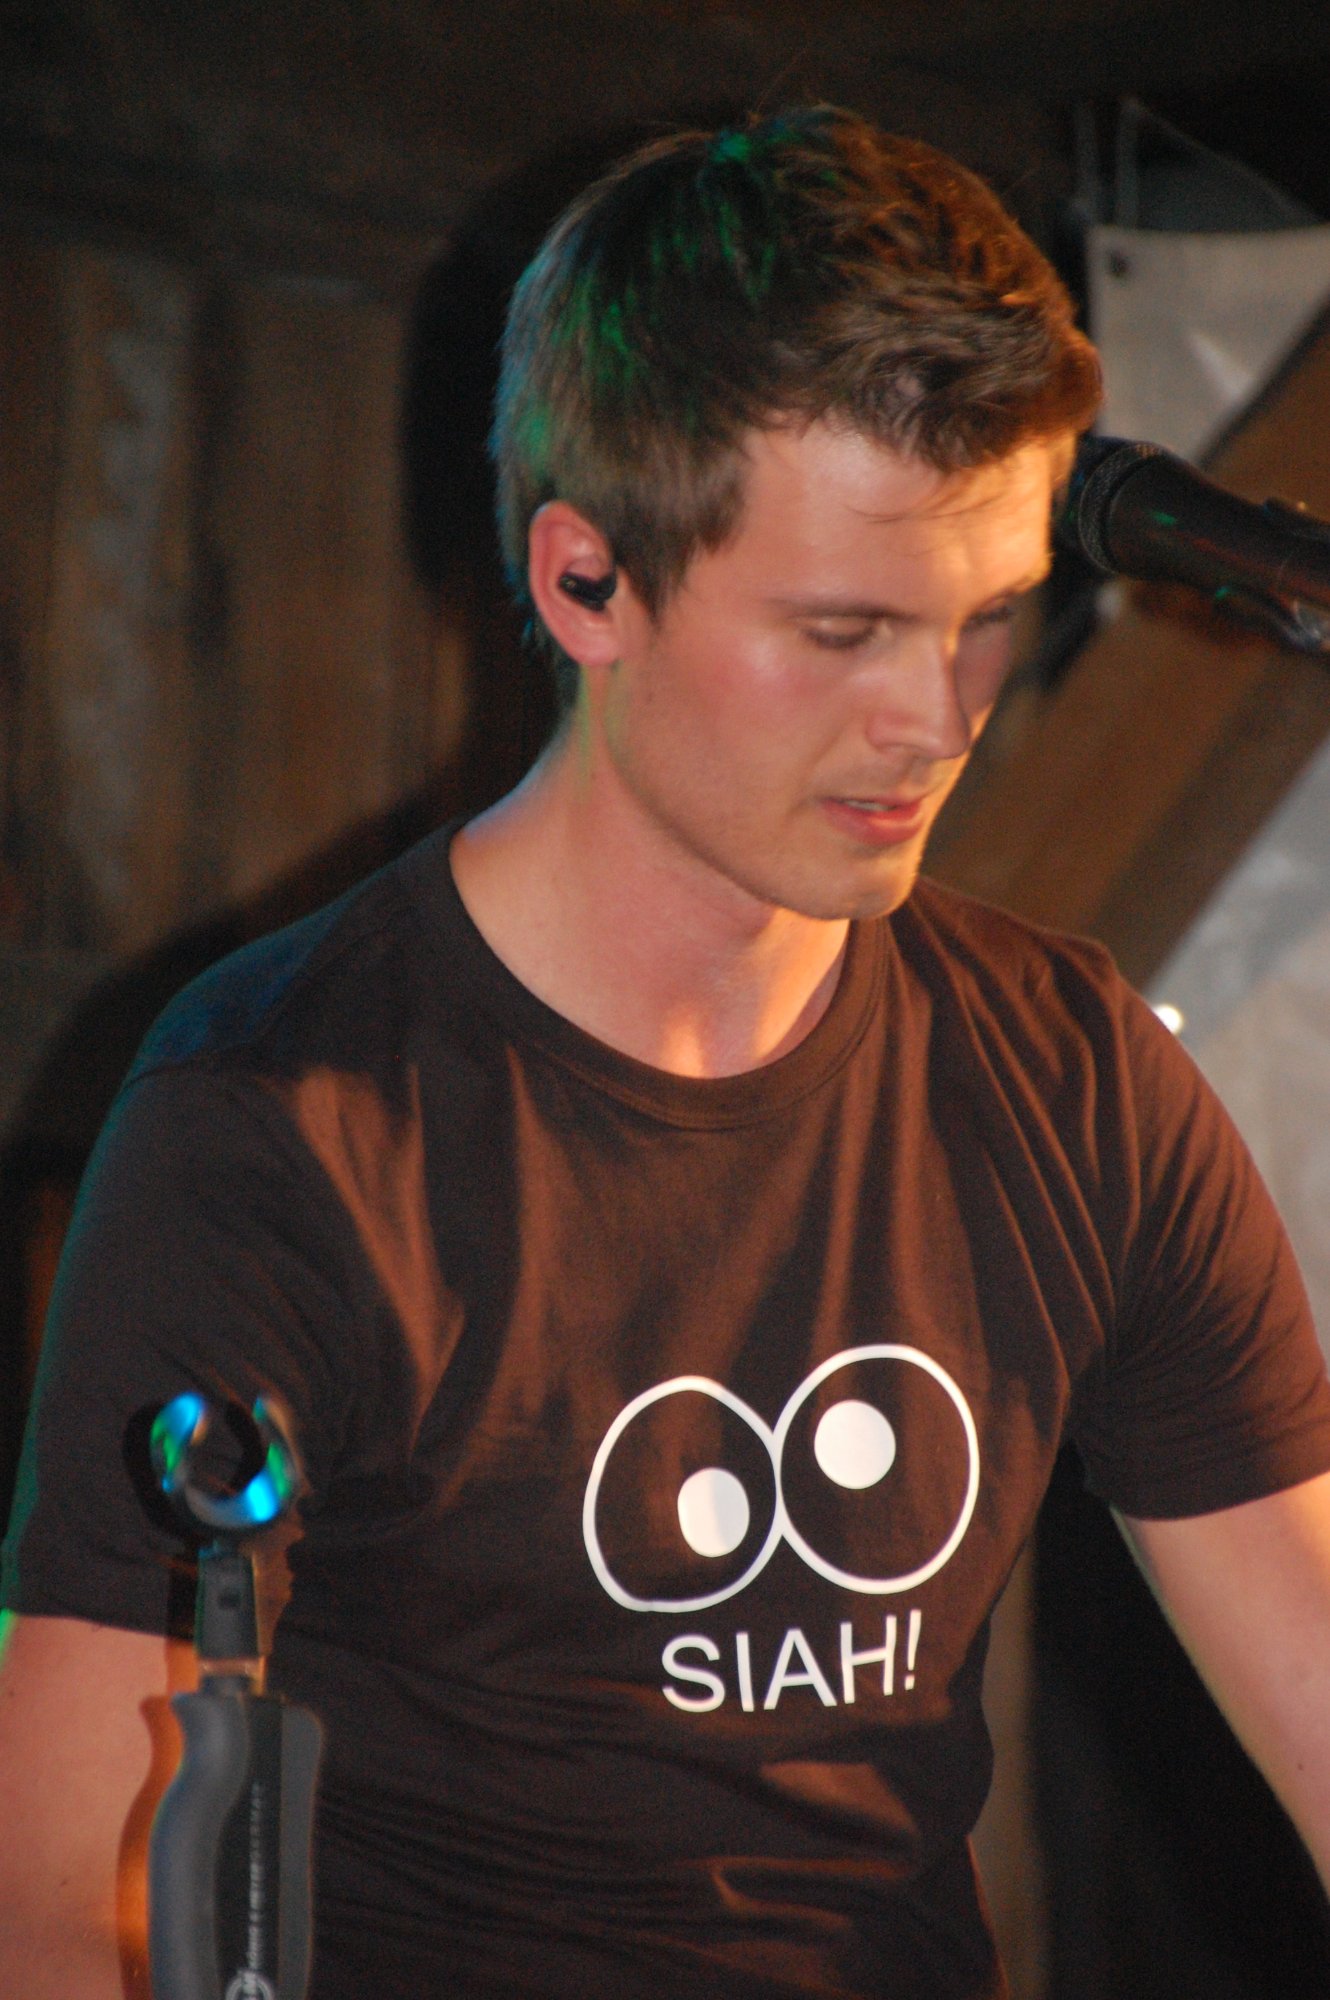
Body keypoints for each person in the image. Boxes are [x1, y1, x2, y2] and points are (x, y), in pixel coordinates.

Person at [3, 105, 1330, 2000]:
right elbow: (62, 1909)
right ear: (584, 584)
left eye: (986, 622)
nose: (933, 718)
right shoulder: (276, 1126)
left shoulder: (1072, 1081)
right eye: (843, 631)